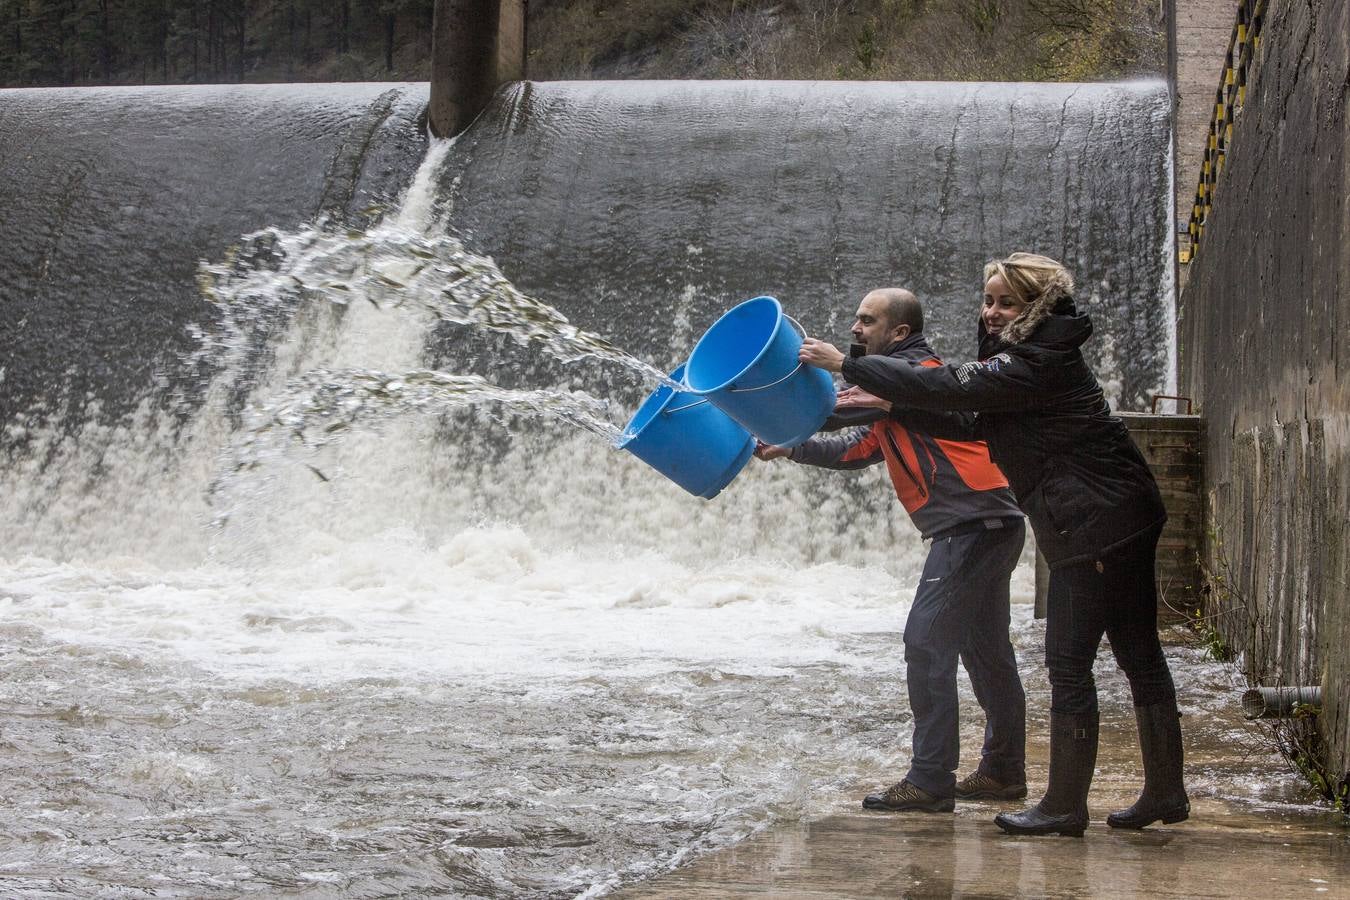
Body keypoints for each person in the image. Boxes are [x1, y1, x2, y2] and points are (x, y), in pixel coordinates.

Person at [798, 254, 1188, 837]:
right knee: (1137, 652)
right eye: (988, 300)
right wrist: (893, 406)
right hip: (1115, 512)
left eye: (1007, 302)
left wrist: (850, 364)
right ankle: (1165, 792)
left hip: (1094, 522)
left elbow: (949, 387)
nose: (993, 311)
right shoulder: (1030, 356)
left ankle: (1063, 806)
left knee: (1069, 662)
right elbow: (967, 420)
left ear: (1037, 306)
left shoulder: (1038, 359)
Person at [758, 287, 1028, 812]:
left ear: (898, 332)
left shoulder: (916, 373)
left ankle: (930, 781)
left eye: (867, 320)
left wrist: (768, 404)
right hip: (987, 525)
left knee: (927, 644)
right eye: (855, 319)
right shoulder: (895, 385)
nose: (855, 329)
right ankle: (1002, 773)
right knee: (986, 651)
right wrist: (791, 447)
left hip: (971, 525)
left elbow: (834, 408)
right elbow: (859, 447)